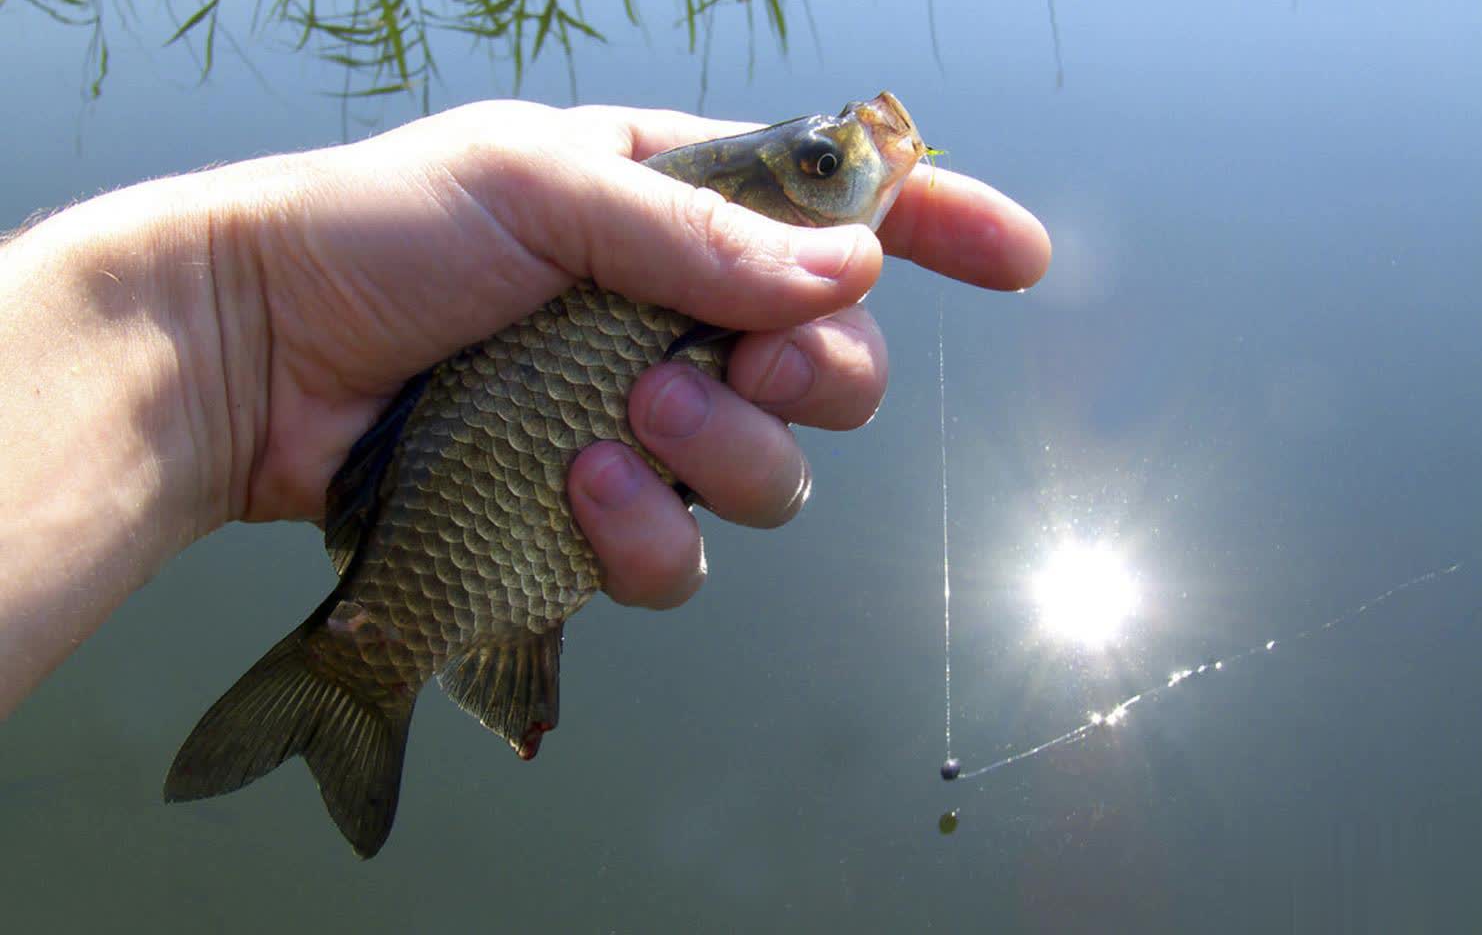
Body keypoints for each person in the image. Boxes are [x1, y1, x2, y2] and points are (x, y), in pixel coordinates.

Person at [0, 99, 1049, 718]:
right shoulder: (668, 231)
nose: (853, 158)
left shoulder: (684, 227)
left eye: (822, 165)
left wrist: (238, 334)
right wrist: (243, 327)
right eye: (821, 163)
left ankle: (450, 641)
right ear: (749, 213)